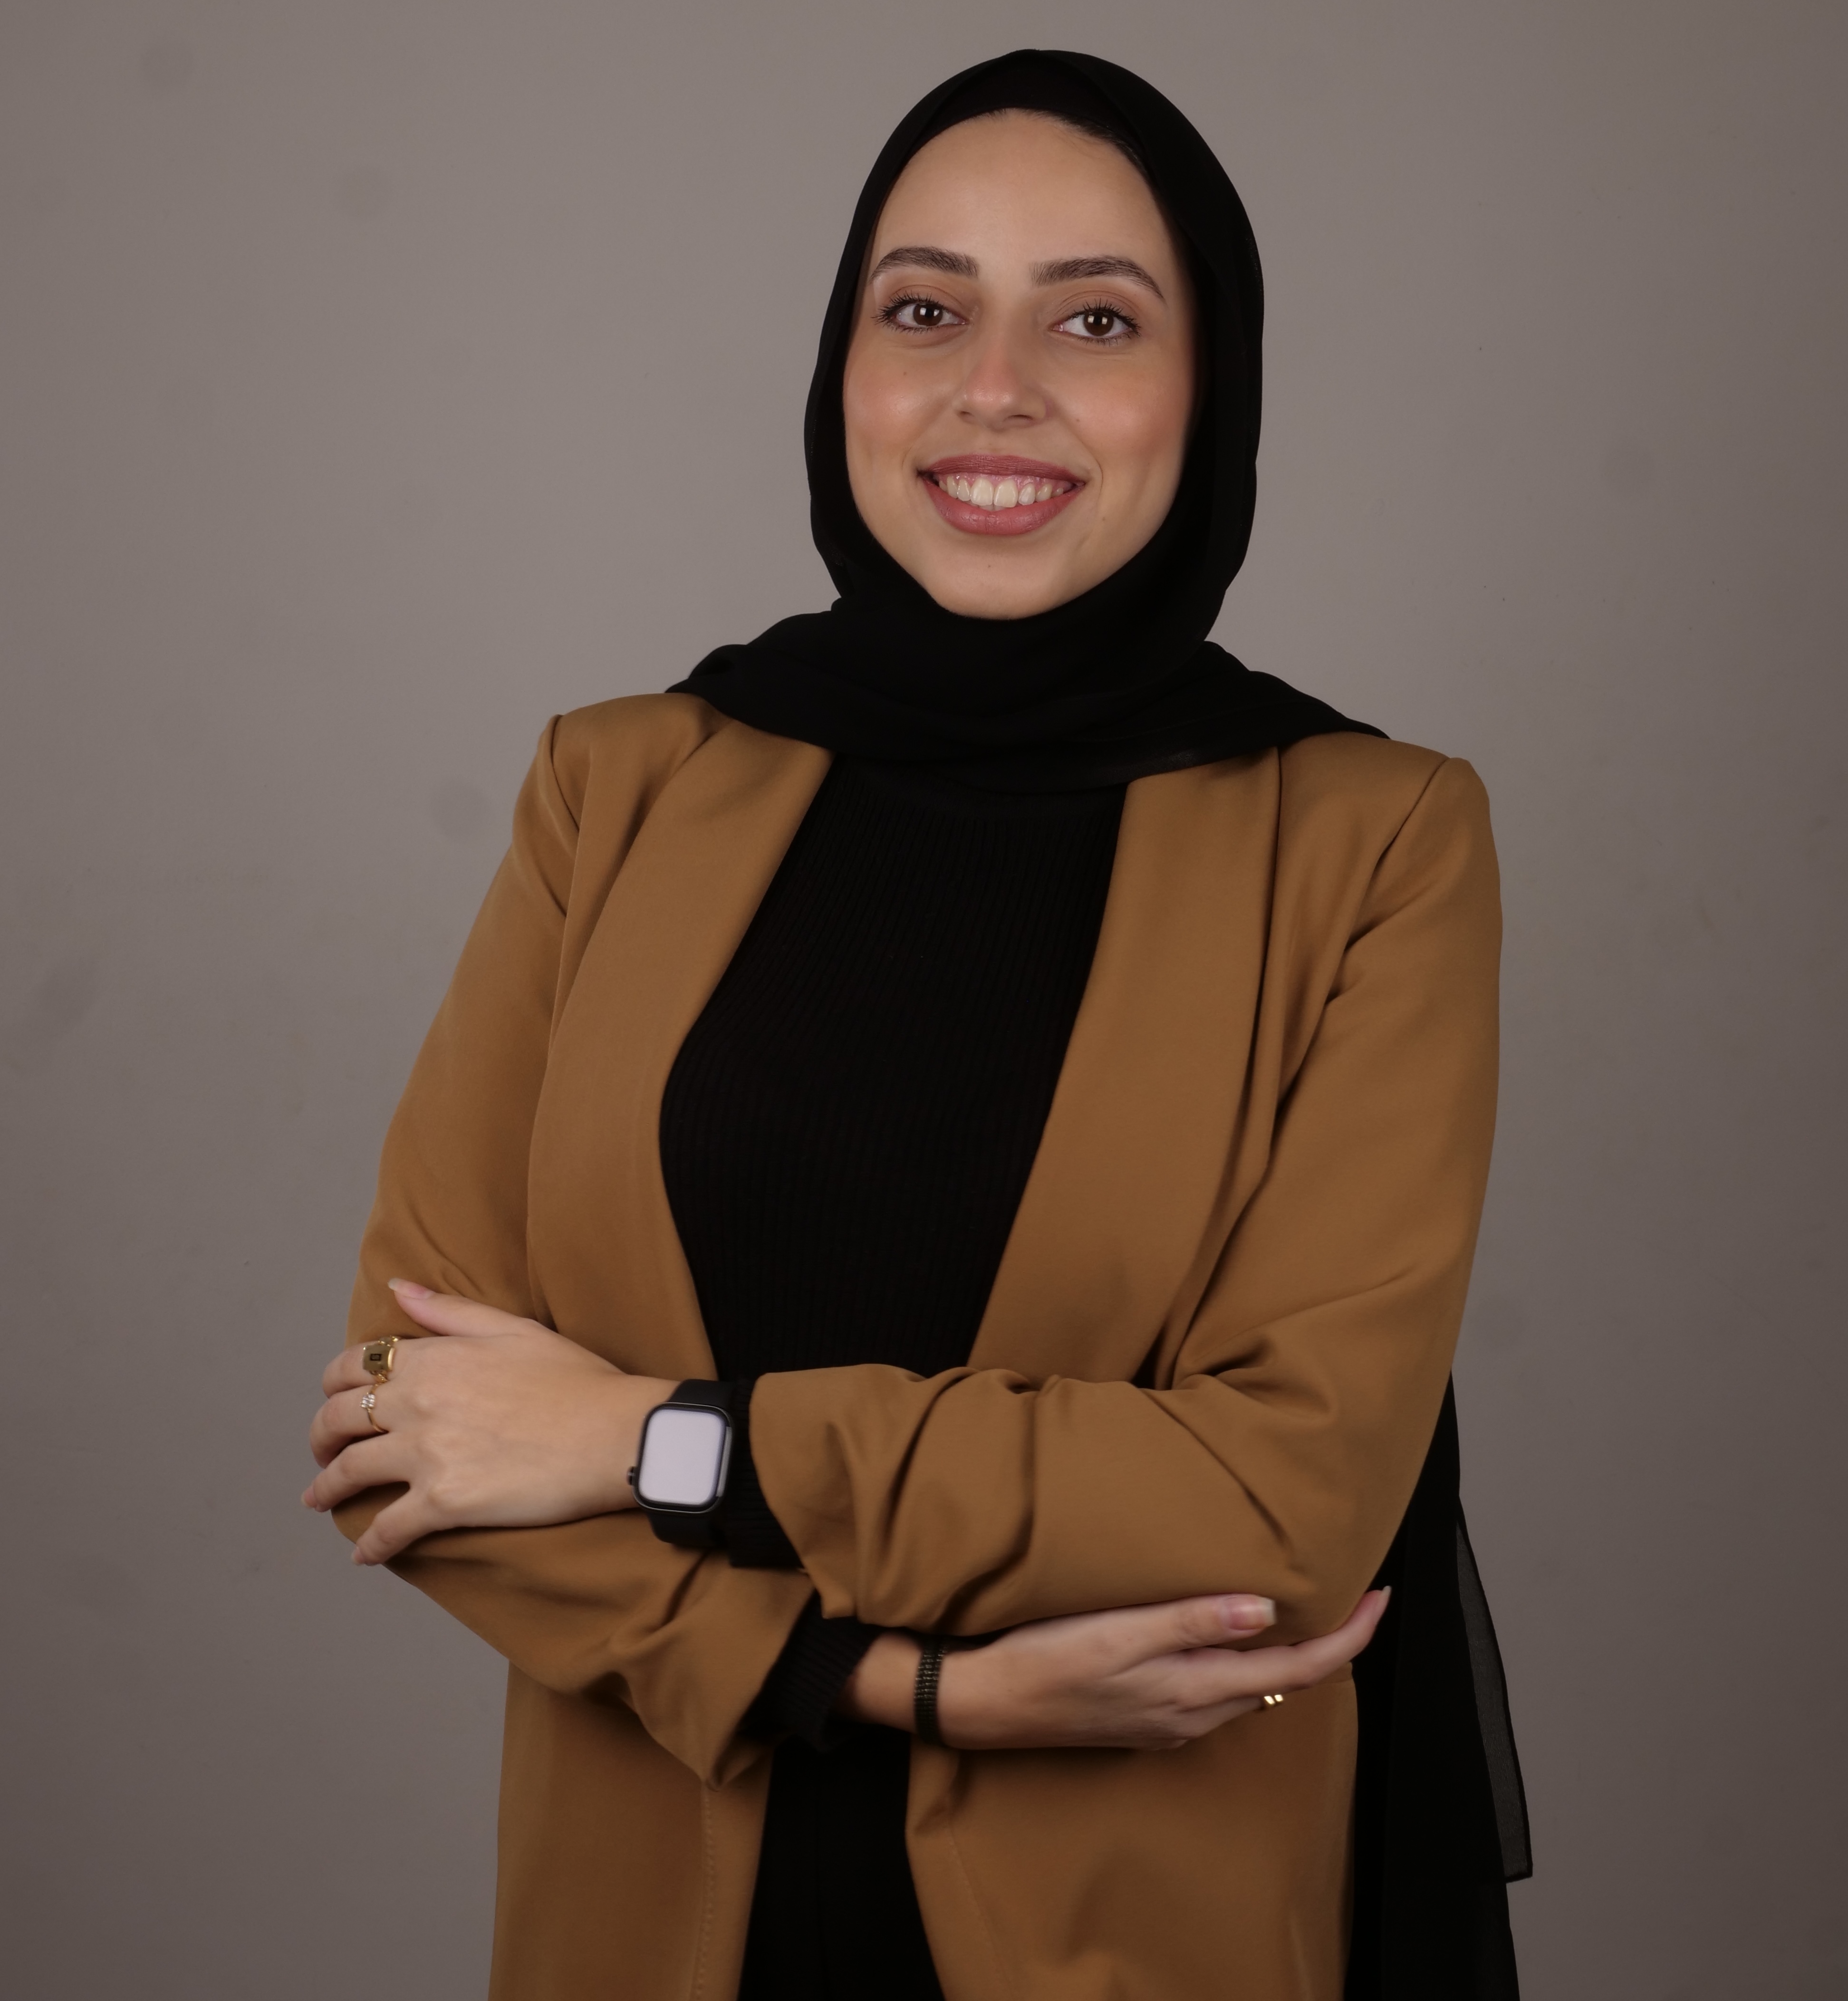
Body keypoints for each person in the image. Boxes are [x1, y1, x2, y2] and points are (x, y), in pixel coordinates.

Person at [305, 49, 1527, 2001]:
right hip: (638, 1937)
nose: (995, 387)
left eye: (1097, 319)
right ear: (843, 369)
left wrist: (649, 1440)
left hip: (1137, 1948)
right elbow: (404, 1413)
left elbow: (1279, 1505)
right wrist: (890, 1684)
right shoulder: (617, 789)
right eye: (926, 309)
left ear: (1212, 389)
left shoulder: (1373, 840)